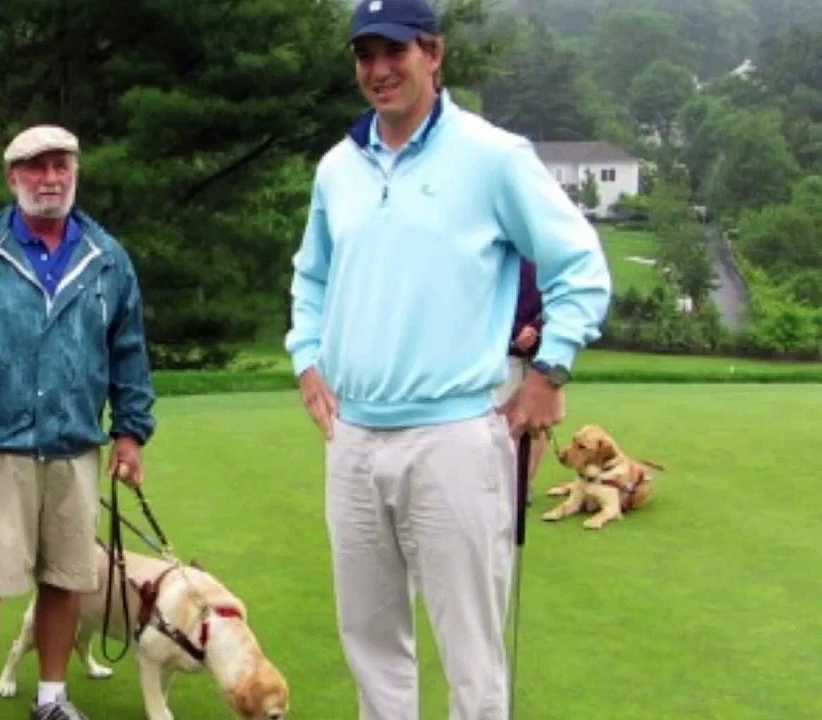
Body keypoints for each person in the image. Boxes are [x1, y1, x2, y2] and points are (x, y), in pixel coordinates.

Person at [284, 1, 612, 718]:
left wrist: (551, 371)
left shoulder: (492, 157)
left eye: (394, 52)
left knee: (471, 654)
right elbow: (311, 277)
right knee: (371, 644)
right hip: (355, 439)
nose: (378, 70)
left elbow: (579, 266)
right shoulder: (338, 167)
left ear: (432, 54)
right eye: (364, 55)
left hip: (455, 438)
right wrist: (307, 358)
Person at [0, 124, 156, 720]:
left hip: (73, 447)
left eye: (60, 166)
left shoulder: (108, 258)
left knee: (66, 578)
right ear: (11, 176)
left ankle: (51, 697)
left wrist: (129, 430)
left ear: (74, 172)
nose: (50, 179)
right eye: (35, 167)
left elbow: (129, 351)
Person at [494, 258, 550, 489]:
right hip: (503, 353)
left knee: (537, 422)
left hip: (542, 353)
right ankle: (502, 483)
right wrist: (516, 333)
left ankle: (523, 485)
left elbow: (561, 303)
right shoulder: (499, 256)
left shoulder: (544, 256)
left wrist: (535, 330)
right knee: (500, 420)